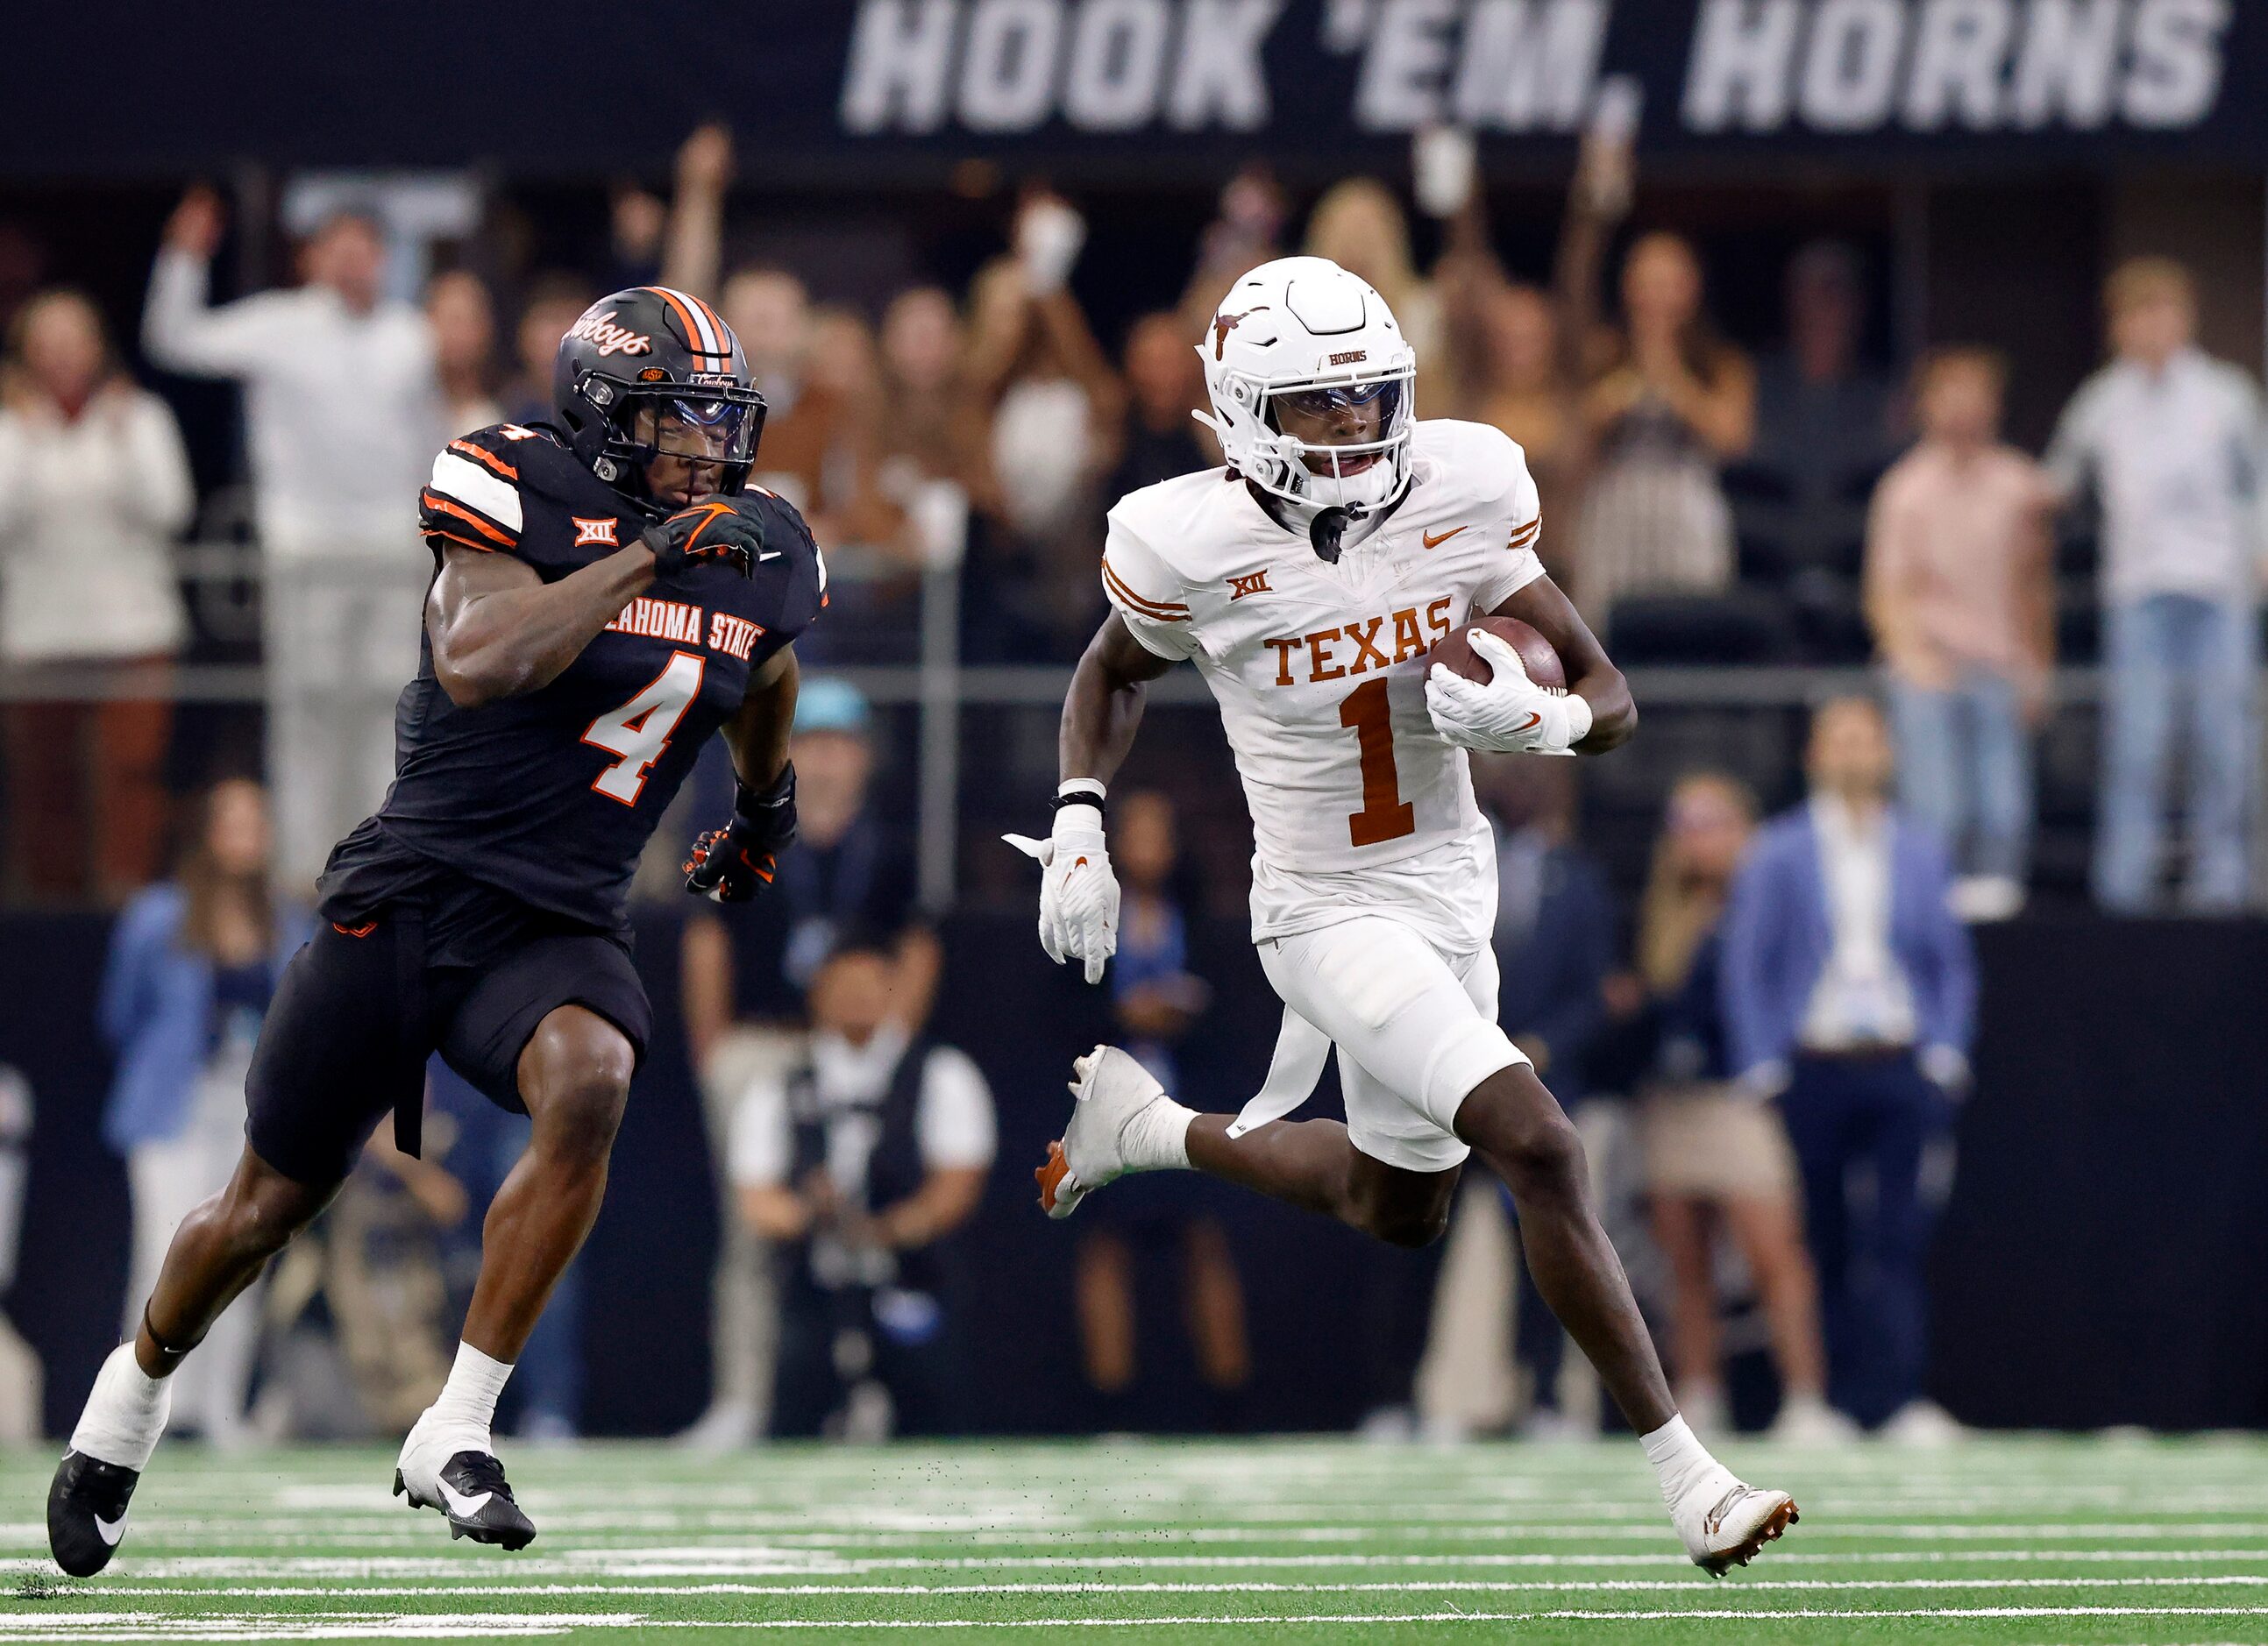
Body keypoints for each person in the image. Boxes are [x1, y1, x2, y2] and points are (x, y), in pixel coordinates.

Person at [1011, 255, 1796, 1574]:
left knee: (1398, 1207)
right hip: (1319, 906)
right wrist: (1080, 809)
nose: (1355, 428)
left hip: (1450, 889)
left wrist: (1537, 720)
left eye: (1371, 397)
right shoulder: (1182, 536)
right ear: (1248, 410)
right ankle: (1686, 1475)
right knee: (1535, 1141)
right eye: (1320, 407)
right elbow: (1111, 671)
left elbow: (1608, 697)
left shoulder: (1466, 481)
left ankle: (1153, 1127)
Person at [49, 284, 824, 1574]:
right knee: (258, 1211)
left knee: (593, 1078)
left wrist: (762, 804)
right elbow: (480, 658)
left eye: (715, 421)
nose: (703, 447)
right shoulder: (509, 480)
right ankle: (128, 1396)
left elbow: (763, 660)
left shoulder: (760, 541)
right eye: (673, 418)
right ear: (598, 414)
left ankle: (455, 1423)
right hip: (415, 892)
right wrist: (646, 554)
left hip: (562, 911)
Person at [141, 190, 443, 891]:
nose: (350, 259)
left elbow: (428, 442)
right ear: (311, 255)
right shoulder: (278, 324)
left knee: (385, 712)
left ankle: (380, 869)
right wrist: (184, 257)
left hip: (392, 555)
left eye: (364, 245)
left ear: (384, 257)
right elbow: (172, 337)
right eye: (335, 244)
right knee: (307, 712)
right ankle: (303, 876)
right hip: (306, 554)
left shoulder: (411, 335)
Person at [678, 678, 936, 1451]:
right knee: (751, 1230)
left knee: (859, 1221)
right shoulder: (743, 834)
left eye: (839, 745)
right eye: (811, 744)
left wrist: (890, 1051)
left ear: (862, 758)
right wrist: (713, 1050)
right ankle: (745, 1398)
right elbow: (706, 943)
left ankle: (861, 1395)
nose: (825, 762)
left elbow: (917, 950)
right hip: (760, 1046)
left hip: (851, 1053)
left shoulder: (887, 850)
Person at [1720, 697, 1975, 1437]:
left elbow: (1947, 964)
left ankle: (1895, 1400)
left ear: (1886, 753)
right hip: (1814, 1064)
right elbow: (1749, 961)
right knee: (1821, 1238)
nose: (1854, 754)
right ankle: (1823, 1401)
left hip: (1899, 1060)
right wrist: (1762, 1062)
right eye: (1841, 741)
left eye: (1867, 739)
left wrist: (1945, 1051)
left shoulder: (1919, 849)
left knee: (1895, 1240)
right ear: (1815, 756)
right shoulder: (1778, 849)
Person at [2046, 258, 2267, 913]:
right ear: (2117, 326)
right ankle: (2125, 887)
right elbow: (2056, 480)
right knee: (2136, 745)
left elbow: (2258, 481)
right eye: (2135, 314)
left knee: (2219, 742)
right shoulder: (2101, 400)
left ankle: (2219, 885)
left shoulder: (2225, 393)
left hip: (2217, 590)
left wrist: (2258, 552)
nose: (2150, 326)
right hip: (2137, 592)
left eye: (2162, 310)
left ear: (2185, 316)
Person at [1629, 774, 1844, 1444]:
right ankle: (1699, 1396)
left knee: (1773, 1255)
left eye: (1712, 821)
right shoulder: (1665, 914)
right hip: (1673, 1100)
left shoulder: (1769, 900)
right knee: (1684, 1264)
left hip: (1738, 1097)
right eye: (1684, 823)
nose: (1698, 838)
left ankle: (1806, 1399)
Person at [98, 779, 308, 1446]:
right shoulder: (159, 916)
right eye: (232, 821)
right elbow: (119, 1016)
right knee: (164, 1252)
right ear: (207, 831)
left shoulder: (286, 921)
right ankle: (142, 1412)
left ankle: (219, 1412)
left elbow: (301, 1018)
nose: (245, 835)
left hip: (248, 1112)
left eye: (256, 821)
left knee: (240, 1255)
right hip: (172, 1107)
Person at [731, 936, 993, 1439]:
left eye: (869, 986)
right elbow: (758, 1199)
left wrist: (888, 1230)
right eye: (842, 986)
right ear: (817, 995)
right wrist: (814, 1213)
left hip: (911, 1278)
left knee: (936, 1409)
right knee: (793, 1402)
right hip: (817, 1285)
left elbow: (957, 1185)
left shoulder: (941, 1074)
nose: (856, 999)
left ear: (895, 990)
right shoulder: (781, 1085)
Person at [0, 288, 195, 903]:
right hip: (38, 636)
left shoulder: (142, 418)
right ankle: (54, 909)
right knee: (44, 787)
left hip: (133, 633)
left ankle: (128, 902)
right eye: (45, 341)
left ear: (97, 345)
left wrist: (118, 440)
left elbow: (171, 508)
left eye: (72, 338)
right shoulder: (9, 427)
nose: (60, 354)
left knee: (132, 781)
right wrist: (27, 443)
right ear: (26, 351)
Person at [1072, 791, 1248, 1430]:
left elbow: (1232, 1016)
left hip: (1187, 1103)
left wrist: (1180, 1019)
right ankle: (1111, 1409)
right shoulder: (1081, 922)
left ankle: (1227, 1405)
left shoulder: (1203, 926)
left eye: (1158, 832)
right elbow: (1059, 1016)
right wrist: (1122, 1018)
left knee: (1205, 1243)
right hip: (1106, 1107)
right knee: (1107, 1246)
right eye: (1134, 832)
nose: (1146, 846)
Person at [1866, 349, 2057, 921]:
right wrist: (1912, 659)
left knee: (2003, 815)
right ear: (1926, 405)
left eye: (1973, 393)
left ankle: (2002, 929)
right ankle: (1928, 917)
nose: (1961, 407)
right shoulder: (1904, 488)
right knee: (1936, 813)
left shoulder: (2020, 483)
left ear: (1992, 405)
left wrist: (2036, 668)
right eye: (1947, 393)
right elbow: (1885, 593)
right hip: (1928, 667)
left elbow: (2034, 587)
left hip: (1999, 666)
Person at [1480, 757, 1617, 1439]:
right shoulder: (1449, 866)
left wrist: (1540, 1048)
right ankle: (1404, 1400)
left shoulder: (1580, 881)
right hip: (1446, 1083)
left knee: (1544, 1247)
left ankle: (1539, 1398)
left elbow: (1595, 994)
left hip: (1537, 1088)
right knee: (1415, 1236)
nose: (1522, 784)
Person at [1575, 233, 1753, 629]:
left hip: (1685, 503)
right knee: (1606, 627)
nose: (1657, 298)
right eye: (1647, 283)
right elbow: (1574, 435)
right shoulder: (1604, 351)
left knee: (1691, 624)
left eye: (1669, 284)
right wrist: (1619, 392)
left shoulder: (1718, 360)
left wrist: (1672, 379)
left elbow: (1733, 439)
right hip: (1617, 504)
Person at [427, 271, 501, 436]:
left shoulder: (492, 420)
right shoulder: (404, 408)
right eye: (448, 320)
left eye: (464, 321)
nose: (455, 334)